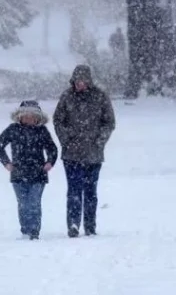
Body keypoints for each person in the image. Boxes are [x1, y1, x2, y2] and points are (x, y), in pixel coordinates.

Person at [53, 65, 116, 237]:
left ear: (89, 81)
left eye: (83, 81)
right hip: (71, 154)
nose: (80, 84)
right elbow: (58, 121)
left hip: (93, 155)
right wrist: (66, 139)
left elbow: (109, 123)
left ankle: (90, 225)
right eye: (77, 81)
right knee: (73, 191)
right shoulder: (66, 97)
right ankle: (73, 224)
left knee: (90, 192)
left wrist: (99, 141)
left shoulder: (101, 97)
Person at [0, 100, 58, 240]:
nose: (29, 118)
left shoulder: (42, 131)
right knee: (23, 204)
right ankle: (25, 230)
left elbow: (52, 149)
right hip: (18, 174)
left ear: (38, 118)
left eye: (32, 116)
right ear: (20, 117)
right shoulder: (13, 129)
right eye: (26, 115)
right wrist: (6, 163)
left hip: (38, 174)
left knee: (34, 202)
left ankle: (34, 231)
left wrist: (49, 162)